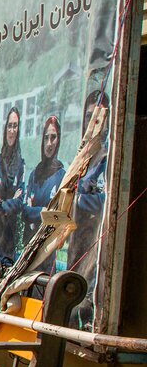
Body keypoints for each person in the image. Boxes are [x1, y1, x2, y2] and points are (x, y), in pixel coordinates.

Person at [69, 91, 110, 327]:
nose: (93, 123)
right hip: (75, 246)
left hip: (93, 254)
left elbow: (104, 199)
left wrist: (79, 198)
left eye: (99, 117)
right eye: (88, 117)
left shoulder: (106, 160)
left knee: (80, 311)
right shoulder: (81, 159)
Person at [22, 116, 65, 272]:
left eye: (53, 138)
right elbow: (25, 211)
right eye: (46, 138)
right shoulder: (34, 175)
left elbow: (60, 217)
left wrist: (41, 213)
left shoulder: (62, 177)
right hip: (29, 248)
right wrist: (43, 211)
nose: (49, 143)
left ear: (58, 140)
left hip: (47, 254)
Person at [0, 107, 26, 265]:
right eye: (9, 125)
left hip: (8, 243)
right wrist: (6, 203)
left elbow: (19, 203)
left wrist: (0, 202)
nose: (12, 130)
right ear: (5, 129)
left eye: (15, 126)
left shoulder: (21, 166)